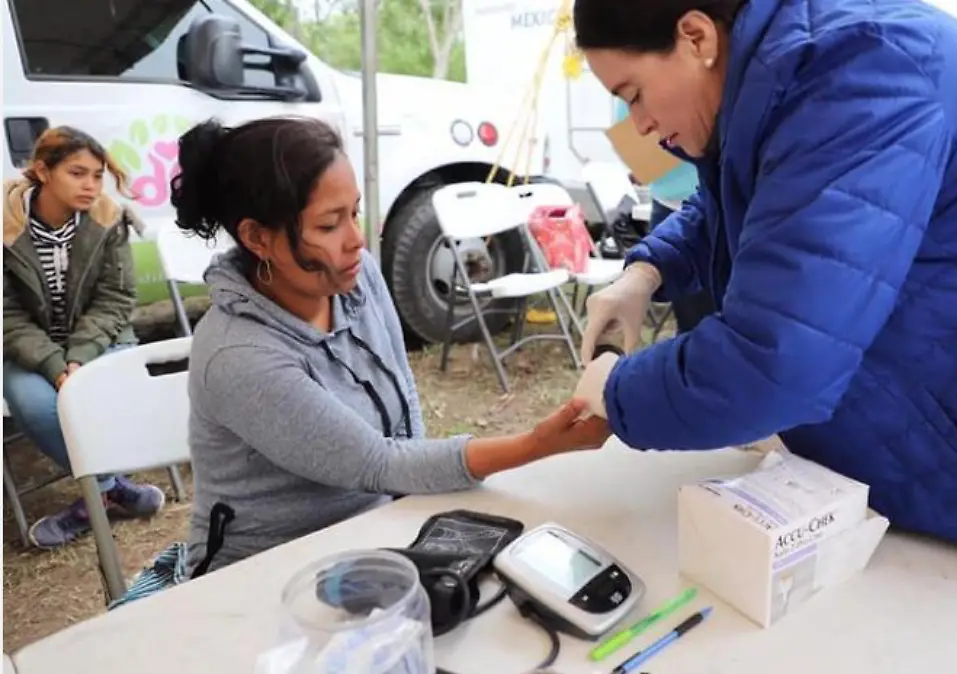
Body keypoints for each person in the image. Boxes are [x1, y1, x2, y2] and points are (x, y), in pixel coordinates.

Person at [570, 0, 957, 613]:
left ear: (696, 37)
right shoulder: (785, 68)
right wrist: (649, 271)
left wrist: (620, 390)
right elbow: (768, 196)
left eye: (633, 94)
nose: (641, 126)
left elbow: (776, 361)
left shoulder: (853, 73)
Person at [172, 116, 611, 574]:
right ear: (257, 237)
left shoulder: (357, 278)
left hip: (377, 531)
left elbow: (404, 409)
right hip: (266, 572)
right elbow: (378, 462)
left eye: (355, 212)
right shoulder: (239, 356)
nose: (356, 239)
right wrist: (537, 444)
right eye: (328, 225)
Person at [2, 126, 166, 549]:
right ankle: (112, 490)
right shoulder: (6, 226)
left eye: (97, 175)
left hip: (101, 339)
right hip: (30, 348)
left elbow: (117, 298)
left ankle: (99, 496)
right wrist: (56, 367)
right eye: (78, 173)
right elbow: (8, 314)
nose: (91, 185)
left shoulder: (106, 219)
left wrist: (78, 356)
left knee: (105, 389)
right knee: (35, 406)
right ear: (43, 170)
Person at [613, 98, 714, 333]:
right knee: (690, 319)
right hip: (666, 203)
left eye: (637, 93)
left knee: (708, 320)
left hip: (699, 198)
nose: (640, 123)